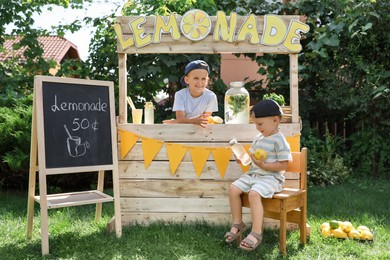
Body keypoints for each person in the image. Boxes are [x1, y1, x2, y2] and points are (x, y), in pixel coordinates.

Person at [224, 99, 292, 252]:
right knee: (233, 188)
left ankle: (256, 233)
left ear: (275, 120)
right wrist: (241, 158)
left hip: (272, 178)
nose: (257, 127)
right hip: (254, 175)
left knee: (254, 194)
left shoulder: (280, 141)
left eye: (260, 124)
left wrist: (265, 166)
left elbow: (284, 165)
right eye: (255, 124)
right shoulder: (258, 139)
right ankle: (237, 224)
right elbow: (250, 162)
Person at [163, 60, 218, 128]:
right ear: (187, 80)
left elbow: (204, 121)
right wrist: (193, 121)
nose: (200, 83)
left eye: (203, 79)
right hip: (183, 131)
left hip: (202, 132)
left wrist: (176, 121)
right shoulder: (180, 95)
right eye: (196, 78)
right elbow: (180, 118)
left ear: (207, 80)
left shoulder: (211, 96)